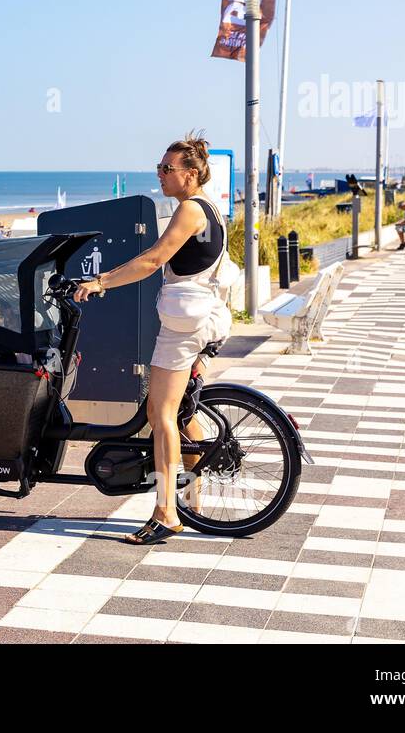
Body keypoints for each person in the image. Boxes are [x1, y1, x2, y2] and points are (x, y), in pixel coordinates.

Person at [73, 132, 230, 545]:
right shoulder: (211, 208)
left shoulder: (190, 211)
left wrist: (101, 282)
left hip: (183, 324)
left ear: (191, 174)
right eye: (159, 167)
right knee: (182, 415)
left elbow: (153, 259)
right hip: (204, 317)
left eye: (167, 169)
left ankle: (166, 513)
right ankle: (192, 498)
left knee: (160, 417)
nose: (159, 174)